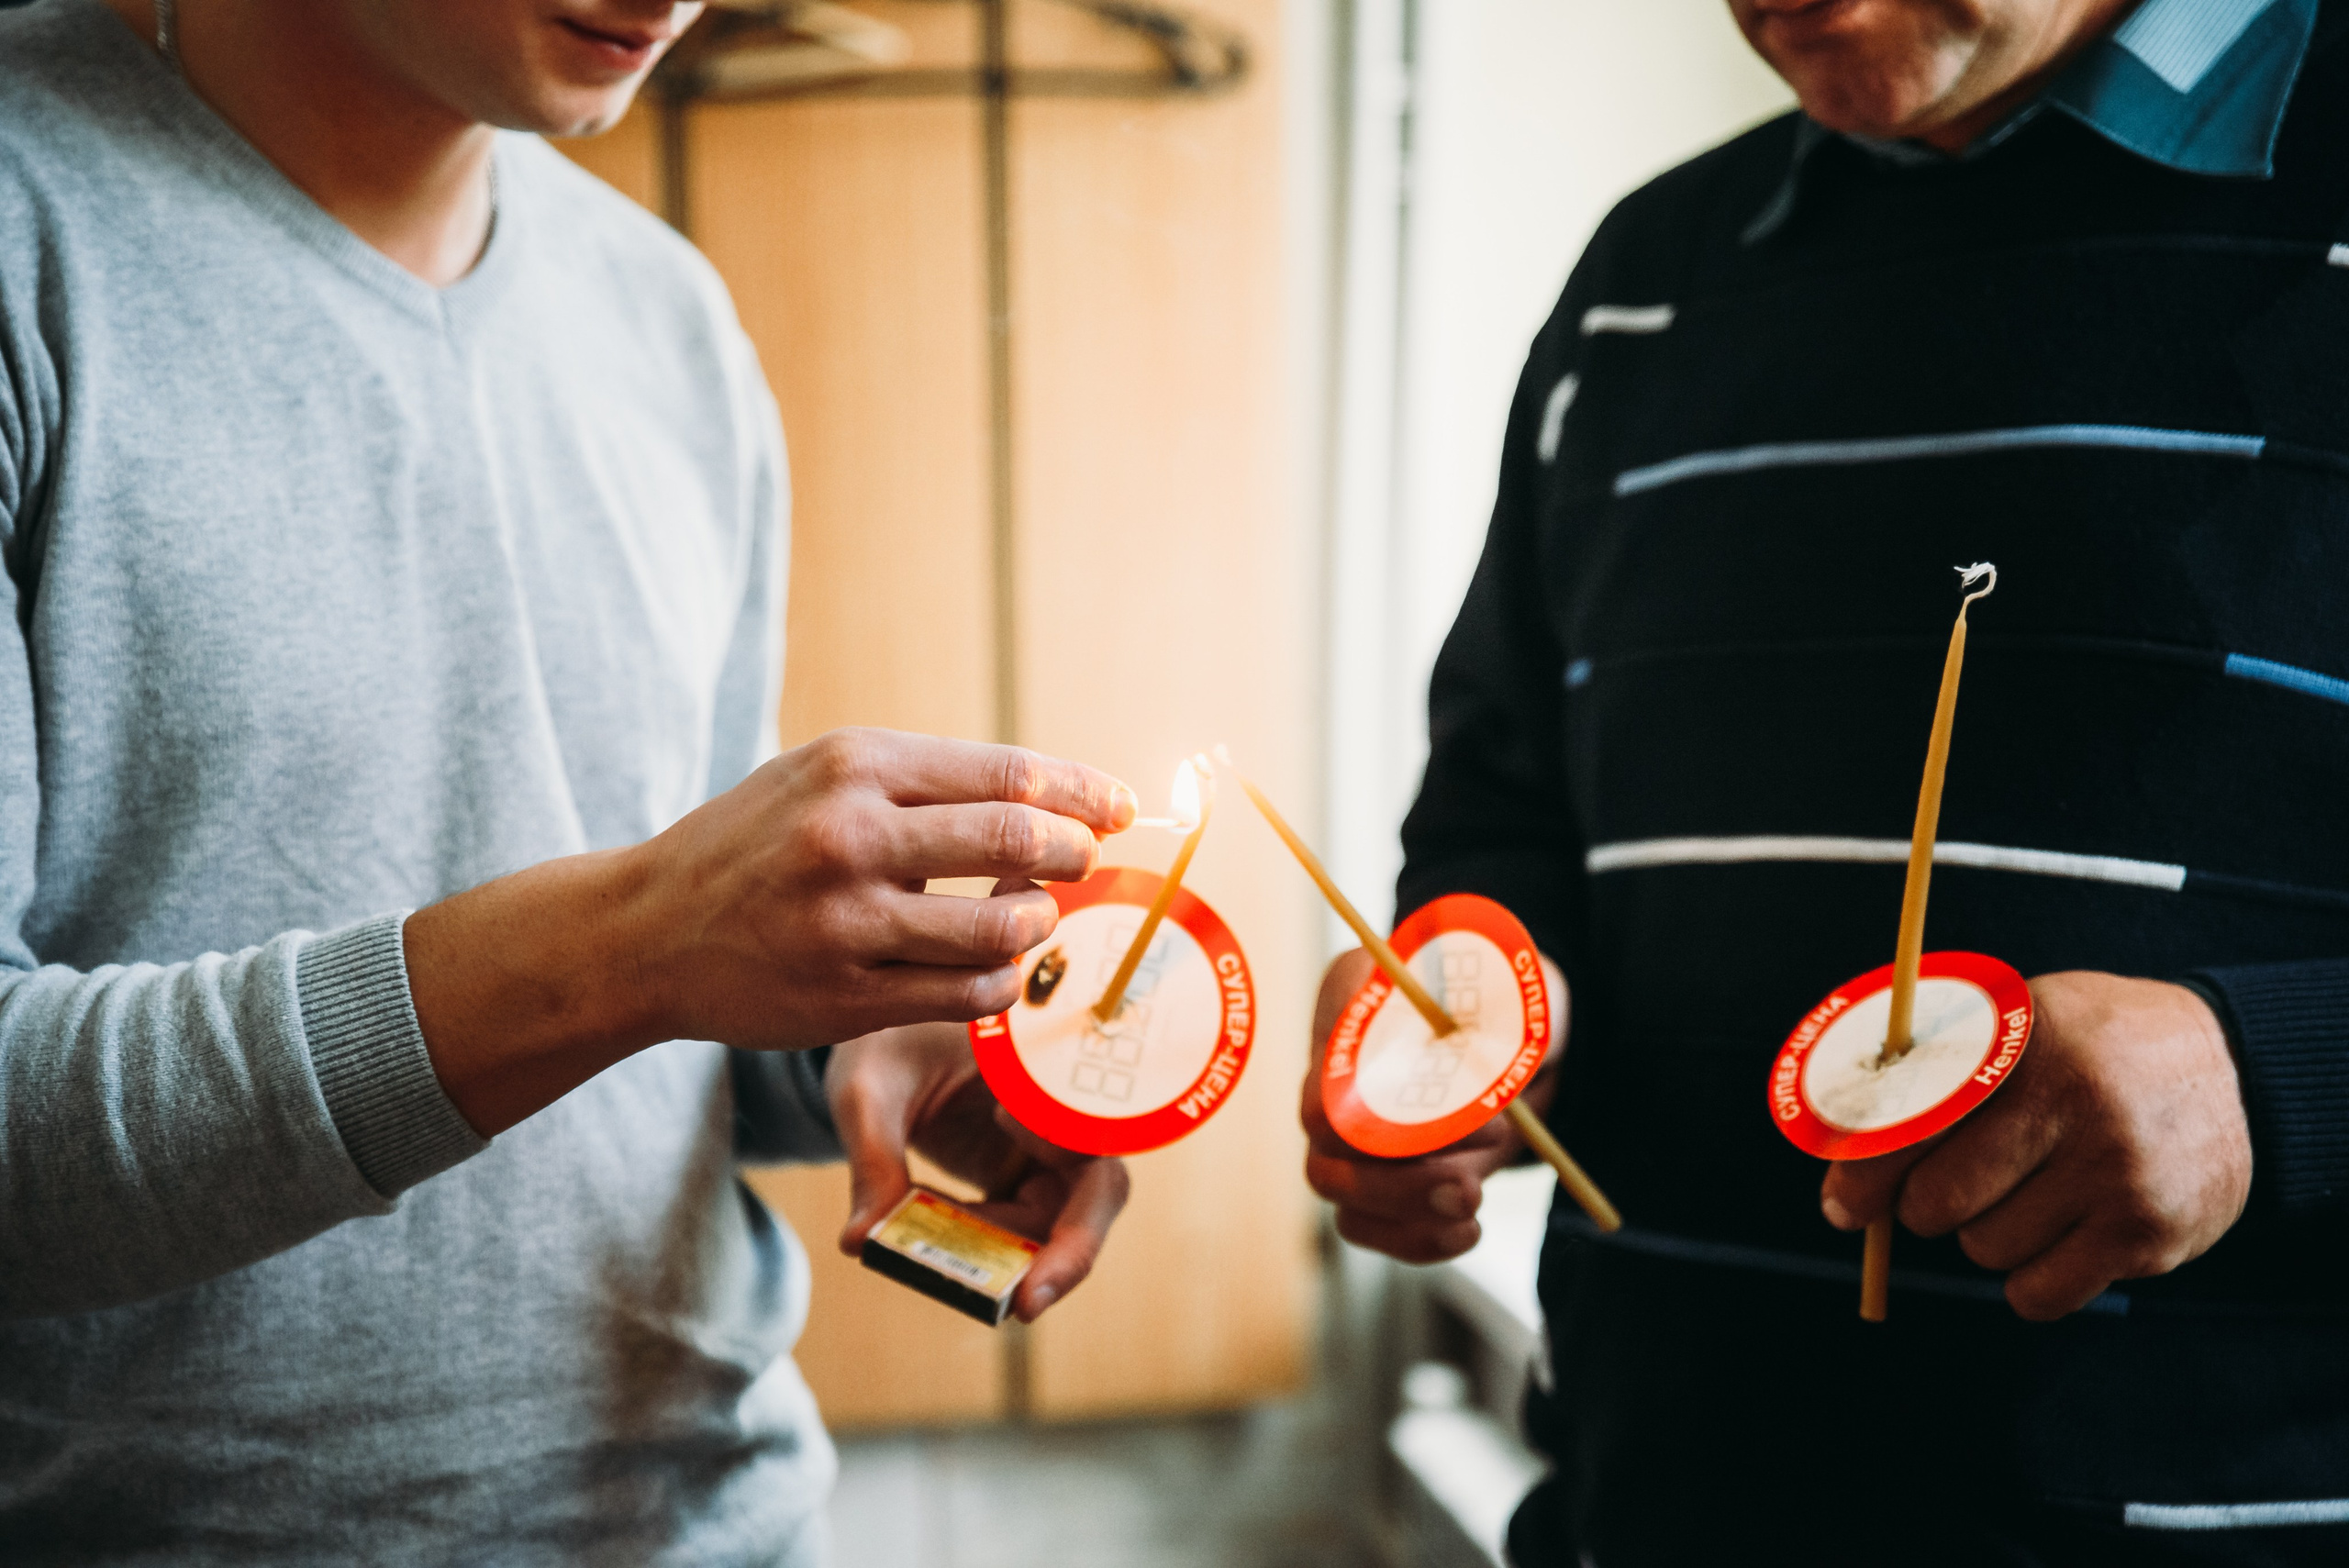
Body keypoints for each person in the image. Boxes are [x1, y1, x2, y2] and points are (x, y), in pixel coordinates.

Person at [0, 0, 1135, 1560]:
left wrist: (878, 1039)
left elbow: (659, 1012)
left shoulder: (669, 320)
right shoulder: (28, 228)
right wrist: (638, 939)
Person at [1303, 0, 2349, 1561]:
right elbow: (1501, 821)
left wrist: (2285, 1079)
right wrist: (1470, 1009)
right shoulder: (1641, 288)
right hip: (1640, 1511)